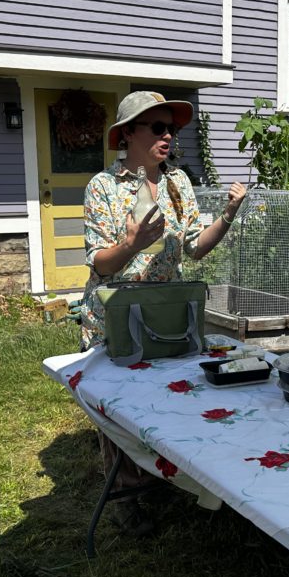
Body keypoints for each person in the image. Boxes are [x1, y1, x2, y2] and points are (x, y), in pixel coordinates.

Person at [79, 90, 246, 534]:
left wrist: (227, 216)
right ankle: (128, 497)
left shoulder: (179, 183)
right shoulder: (103, 187)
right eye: (157, 126)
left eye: (171, 128)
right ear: (128, 133)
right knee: (119, 407)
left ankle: (165, 474)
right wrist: (132, 243)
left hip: (163, 313)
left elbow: (193, 248)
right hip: (115, 313)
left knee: (166, 399)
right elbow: (99, 261)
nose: (168, 135)